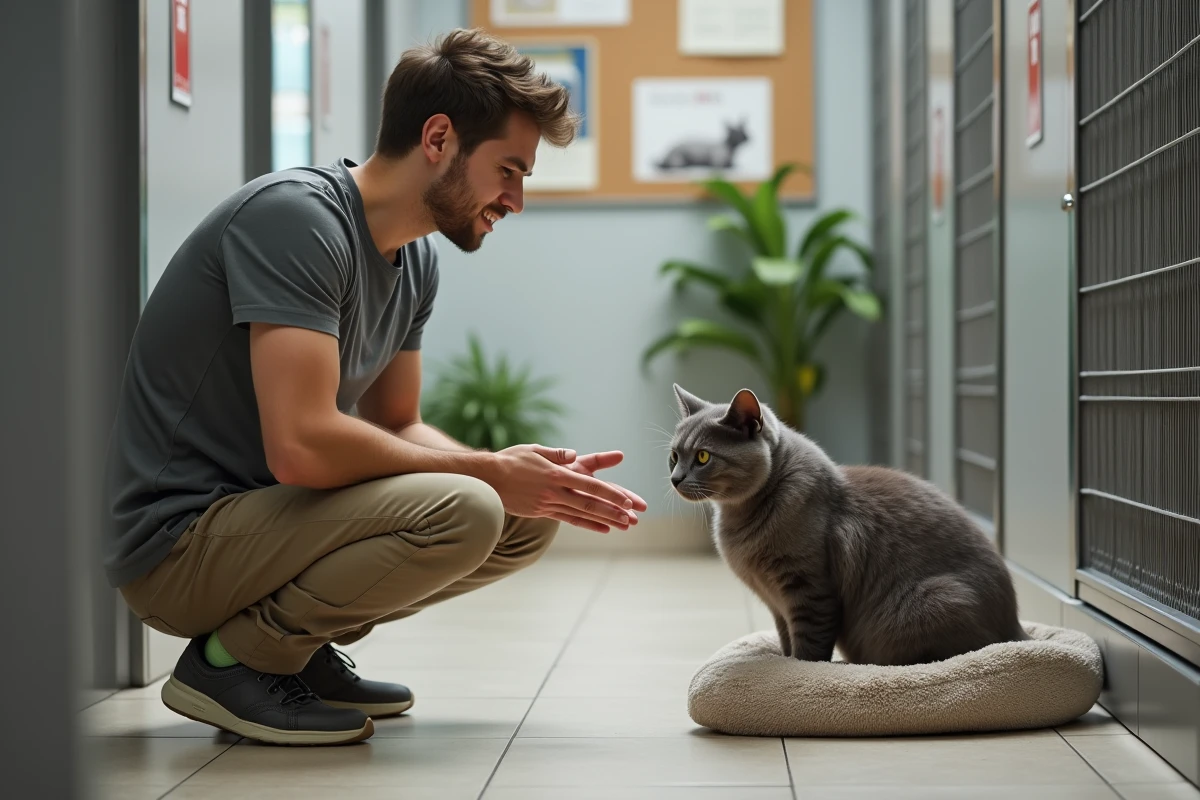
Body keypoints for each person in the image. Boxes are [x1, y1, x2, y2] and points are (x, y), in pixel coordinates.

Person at [103, 27, 647, 746]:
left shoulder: (414, 260)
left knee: (524, 516)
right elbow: (299, 447)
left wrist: (521, 476)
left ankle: (291, 653)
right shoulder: (296, 222)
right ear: (439, 138)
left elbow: (398, 423)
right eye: (508, 170)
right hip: (178, 545)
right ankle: (231, 664)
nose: (516, 199)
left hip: (264, 523)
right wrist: (485, 473)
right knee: (468, 507)